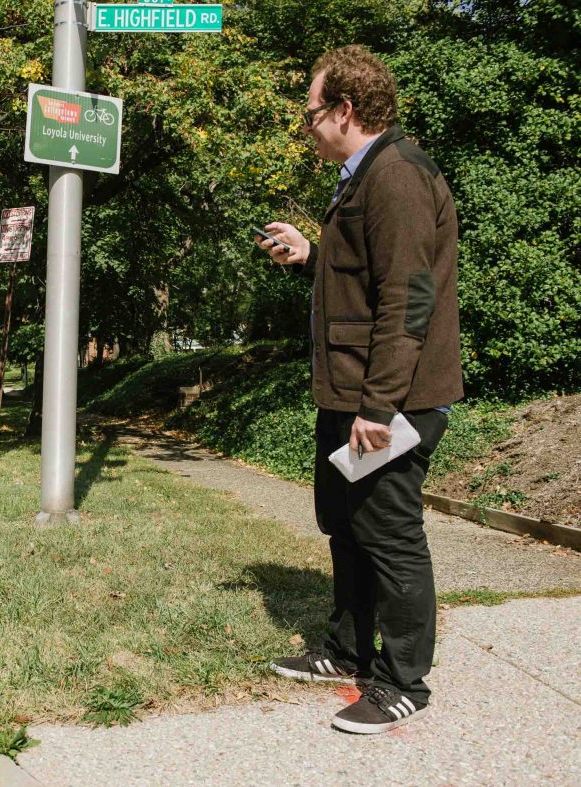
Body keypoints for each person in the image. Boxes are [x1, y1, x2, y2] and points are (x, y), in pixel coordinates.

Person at [255, 46, 463, 734]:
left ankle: (404, 681)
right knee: (347, 528)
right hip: (349, 395)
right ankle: (347, 649)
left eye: (311, 112)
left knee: (391, 536)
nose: (307, 124)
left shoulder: (396, 176)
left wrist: (379, 408)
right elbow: (366, 275)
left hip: (385, 403)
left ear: (345, 110)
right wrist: (311, 254)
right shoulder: (361, 177)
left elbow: (407, 298)